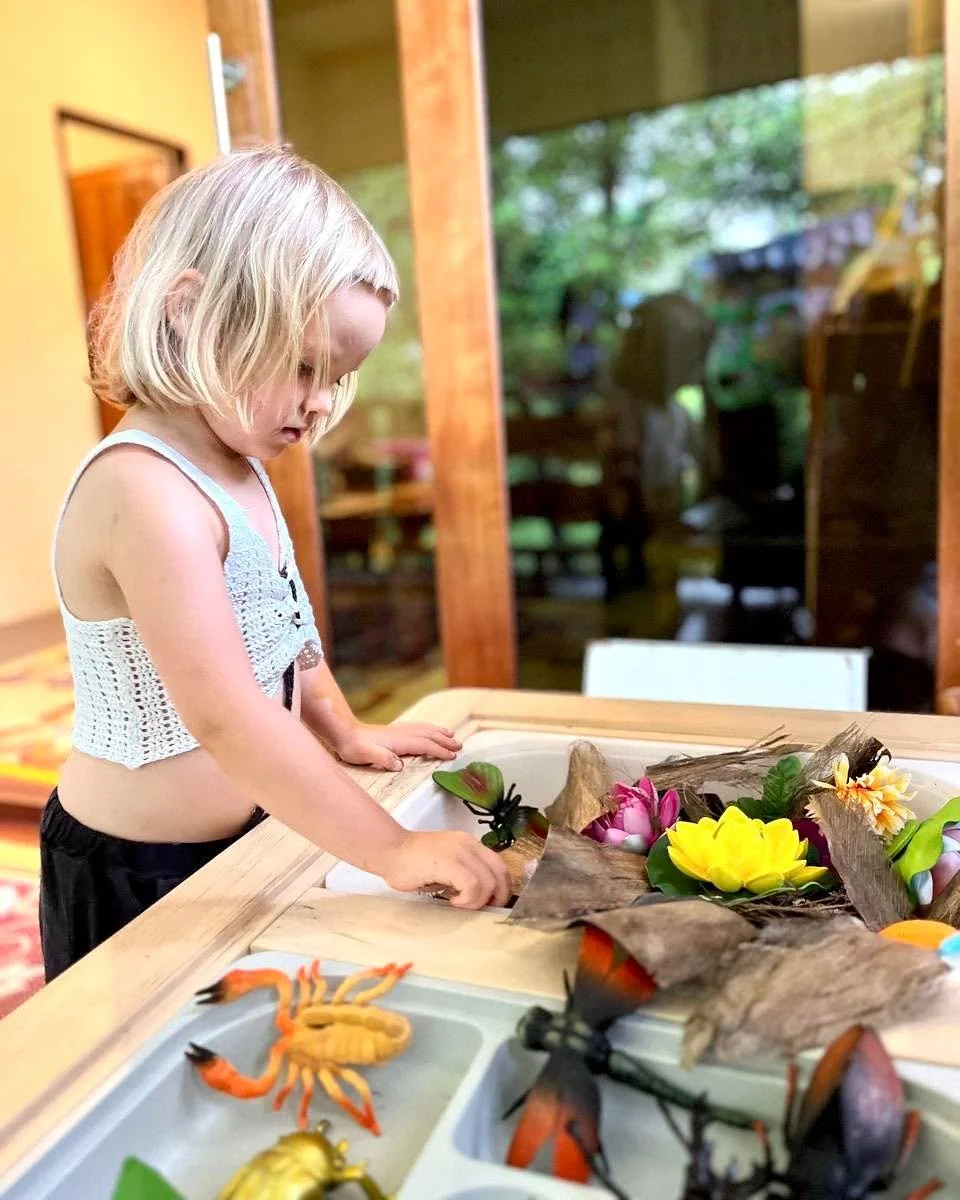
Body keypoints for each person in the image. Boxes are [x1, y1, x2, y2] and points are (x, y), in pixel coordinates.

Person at [40, 147, 511, 981]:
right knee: (135, 1073)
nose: (324, 401)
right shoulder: (145, 491)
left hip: (241, 837)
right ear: (188, 312)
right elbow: (226, 715)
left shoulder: (238, 466)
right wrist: (392, 848)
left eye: (340, 376)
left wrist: (341, 728)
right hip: (133, 870)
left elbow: (287, 631)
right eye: (304, 365)